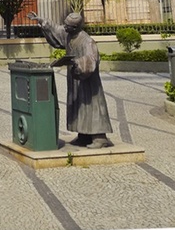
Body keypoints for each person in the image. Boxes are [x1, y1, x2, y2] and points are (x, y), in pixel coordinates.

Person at [28, 11, 114, 148]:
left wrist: (78, 63)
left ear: (76, 27)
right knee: (79, 106)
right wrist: (42, 21)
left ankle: (100, 137)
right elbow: (56, 30)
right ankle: (84, 135)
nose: (65, 28)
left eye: (68, 26)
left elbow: (91, 60)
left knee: (92, 106)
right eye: (65, 25)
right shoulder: (69, 34)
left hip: (88, 81)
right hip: (75, 79)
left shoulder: (87, 41)